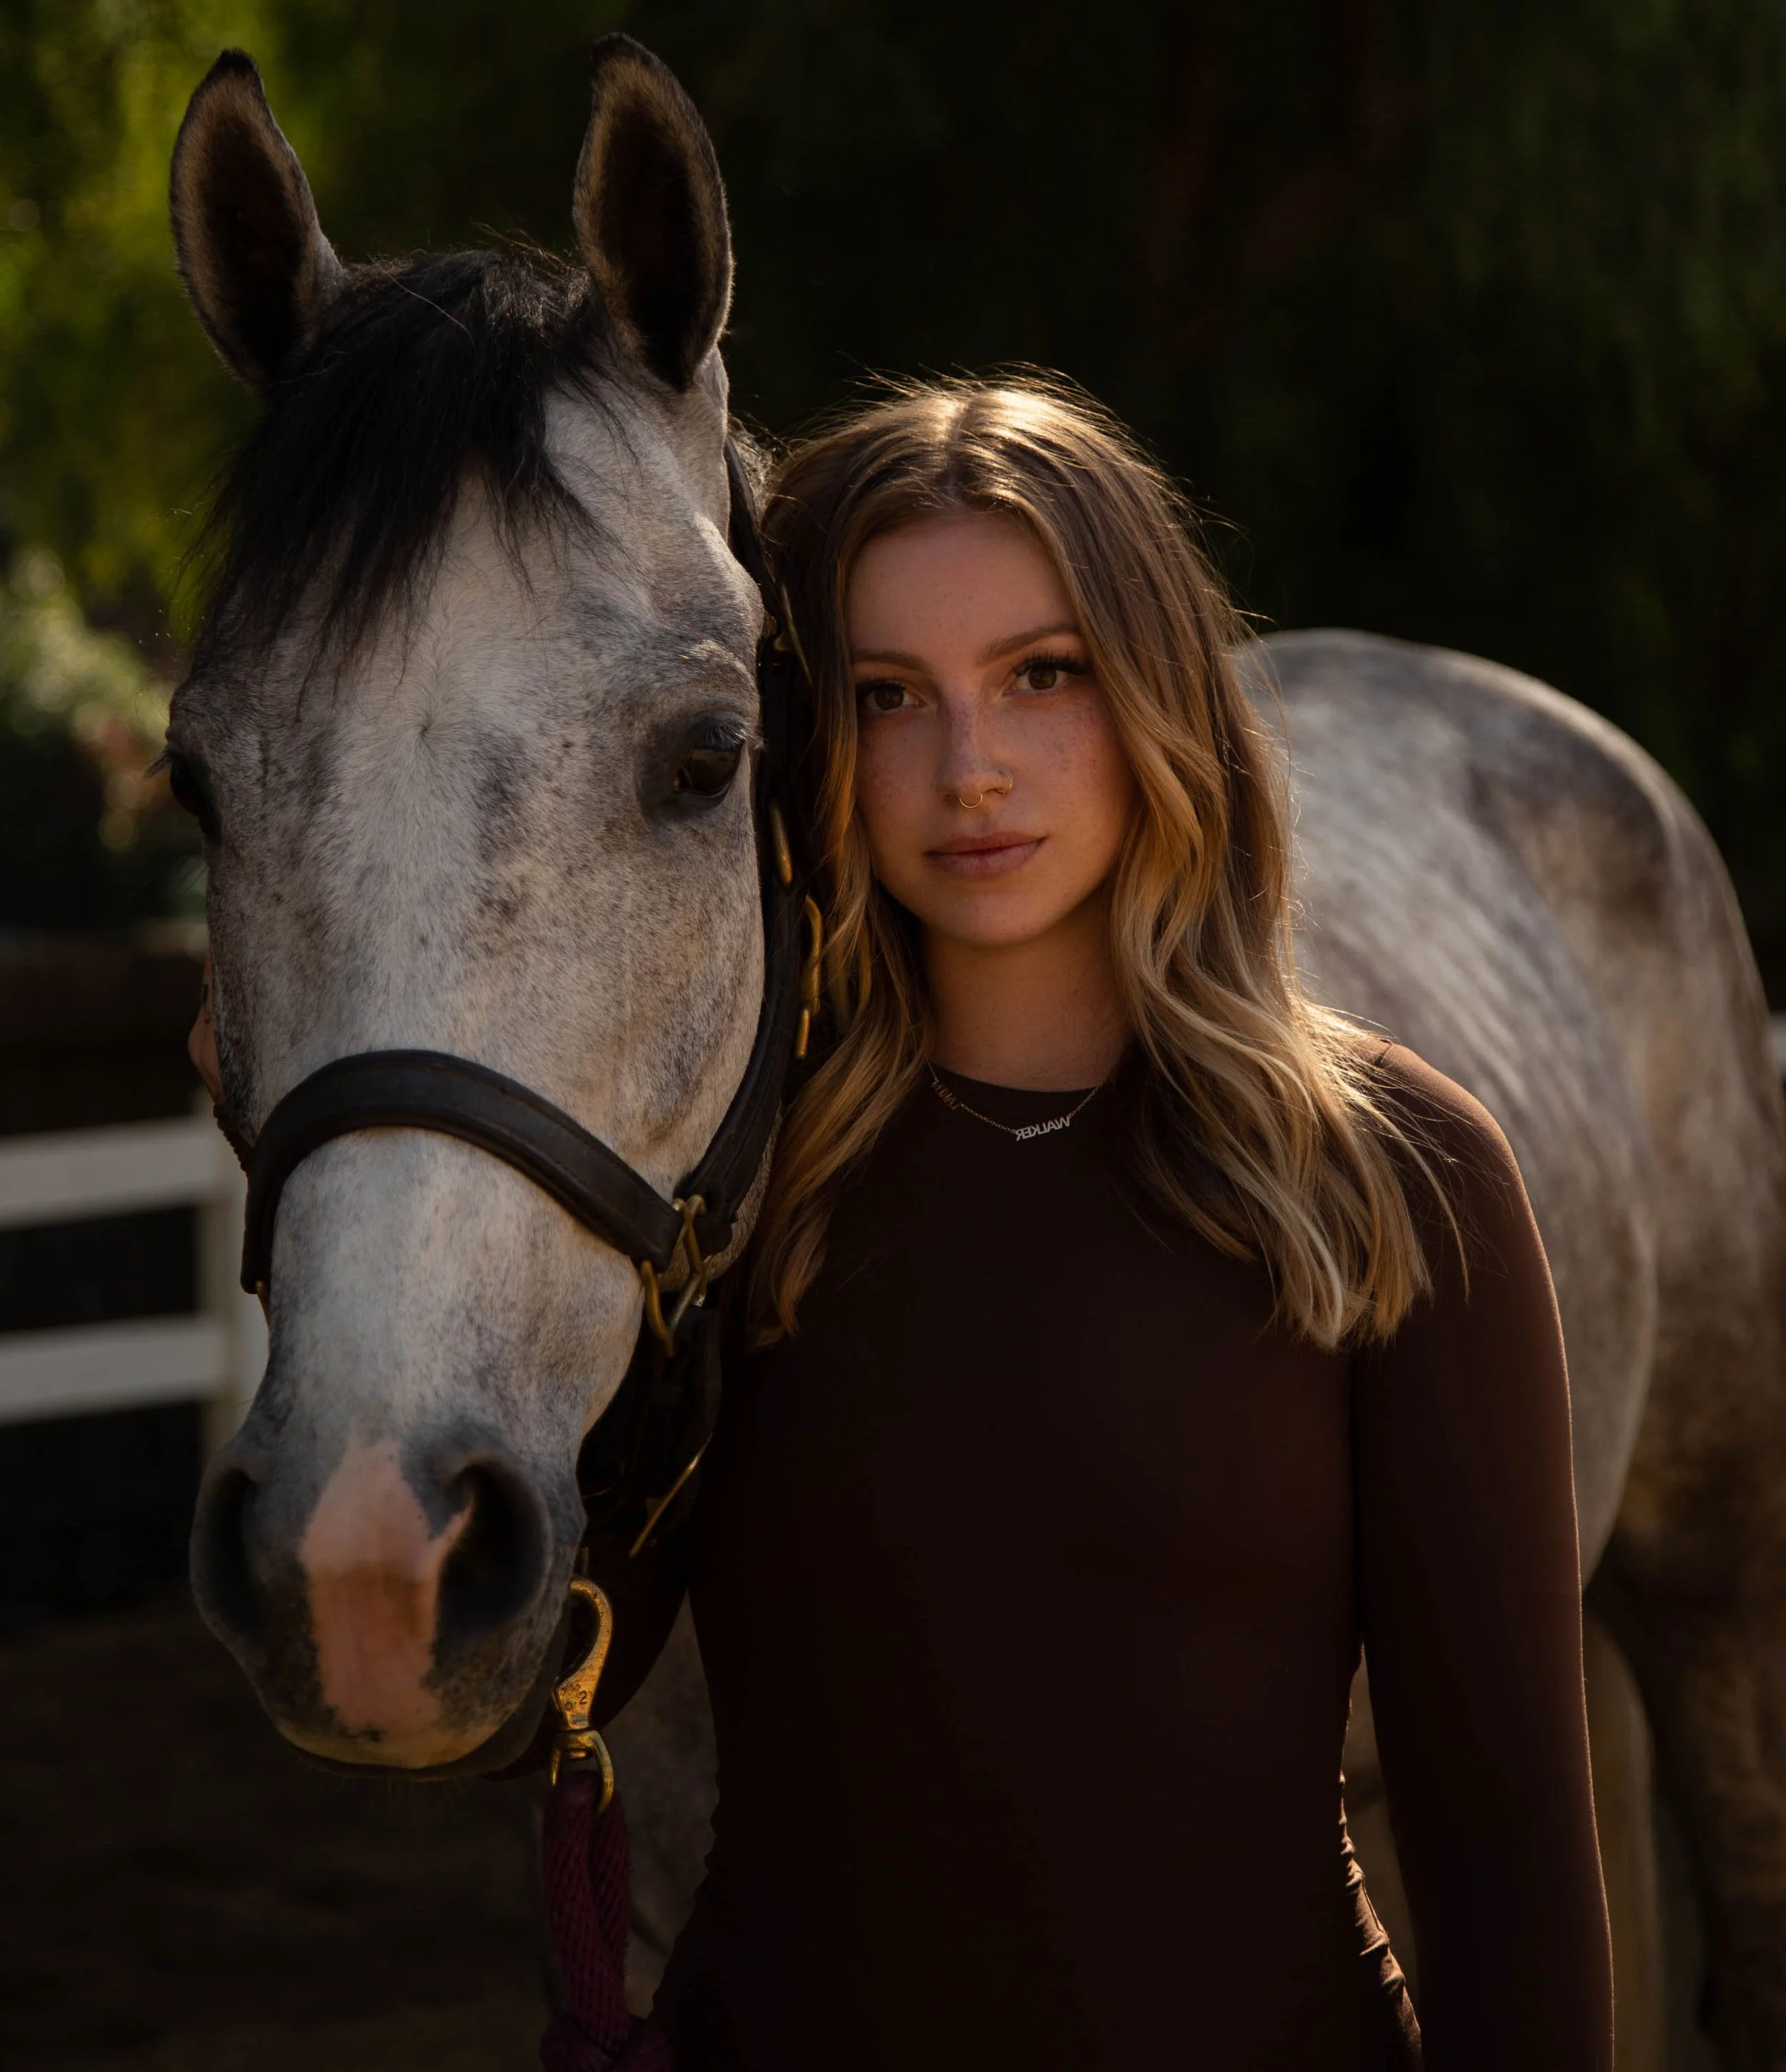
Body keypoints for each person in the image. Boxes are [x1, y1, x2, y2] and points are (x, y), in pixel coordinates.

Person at [192, 375, 1614, 2070]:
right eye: (885, 697)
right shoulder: (739, 1197)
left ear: (1158, 684)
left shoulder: (1396, 1178)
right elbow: (524, 1700)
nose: (970, 769)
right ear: (809, 741)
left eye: (1041, 674)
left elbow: (1509, 1857)